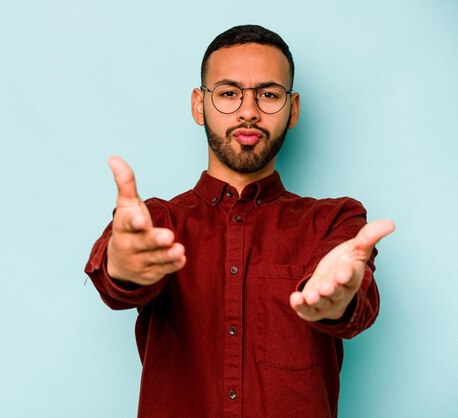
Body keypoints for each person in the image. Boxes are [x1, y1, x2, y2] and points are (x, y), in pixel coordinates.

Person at [84, 24, 394, 418]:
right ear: (199, 105)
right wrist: (122, 267)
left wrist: (340, 298)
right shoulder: (153, 222)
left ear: (293, 109)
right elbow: (115, 283)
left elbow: (355, 299)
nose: (249, 111)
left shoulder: (335, 220)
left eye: (268, 94)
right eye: (229, 93)